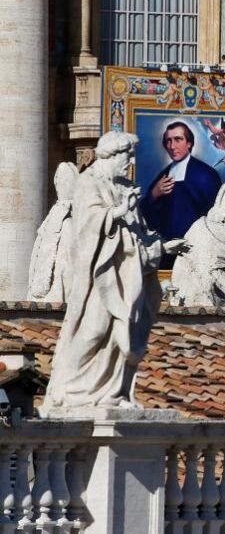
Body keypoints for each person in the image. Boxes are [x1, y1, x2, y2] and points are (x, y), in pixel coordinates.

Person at [44, 132, 187, 409]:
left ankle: (113, 392)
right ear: (111, 155)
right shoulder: (89, 182)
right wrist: (118, 212)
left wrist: (163, 247)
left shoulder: (126, 186)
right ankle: (68, 390)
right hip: (101, 275)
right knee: (95, 329)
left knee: (122, 335)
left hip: (127, 276)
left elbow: (138, 233)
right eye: (127, 156)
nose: (131, 162)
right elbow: (86, 226)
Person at [140, 121, 223, 267]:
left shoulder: (206, 175)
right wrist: (153, 195)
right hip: (167, 253)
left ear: (189, 143)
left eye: (178, 139)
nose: (172, 146)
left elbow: (217, 216)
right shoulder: (162, 176)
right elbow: (146, 217)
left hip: (198, 252)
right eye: (168, 141)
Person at [170, 180, 225, 308]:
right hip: (191, 284)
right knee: (212, 265)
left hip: (206, 282)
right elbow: (213, 262)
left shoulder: (220, 229)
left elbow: (221, 252)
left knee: (213, 265)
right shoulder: (203, 228)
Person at [27, 162, 80, 302]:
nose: (60, 183)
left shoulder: (60, 220)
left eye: (63, 180)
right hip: (53, 294)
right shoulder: (60, 219)